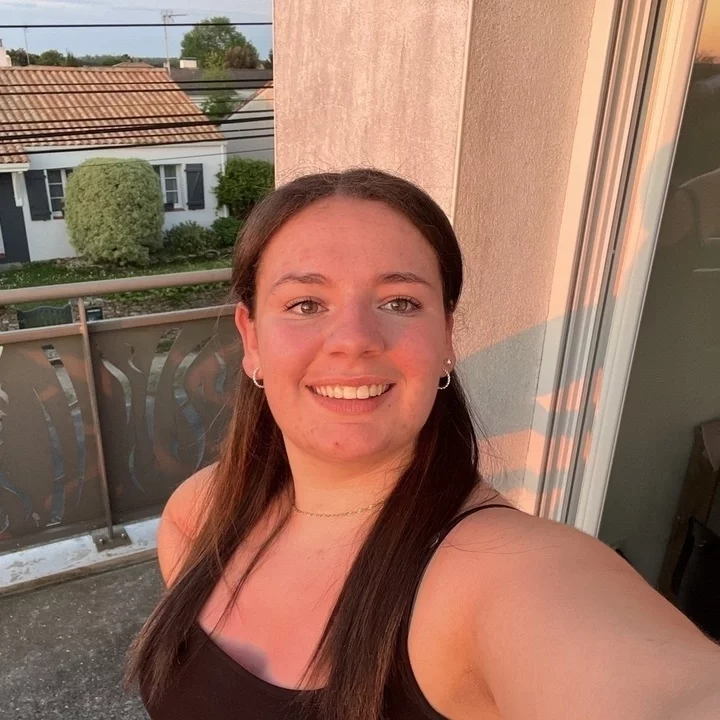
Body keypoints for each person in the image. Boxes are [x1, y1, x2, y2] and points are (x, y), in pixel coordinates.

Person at [128, 169, 720, 720]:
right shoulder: (199, 516)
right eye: (306, 304)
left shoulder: (501, 573)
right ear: (251, 337)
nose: (354, 339)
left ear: (446, 337)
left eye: (400, 302)